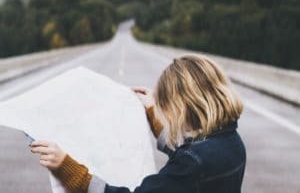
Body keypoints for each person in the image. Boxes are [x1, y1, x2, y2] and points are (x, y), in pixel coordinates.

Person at [30, 54, 246, 193]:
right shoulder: (230, 141)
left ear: (184, 106)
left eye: (168, 107)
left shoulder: (193, 163)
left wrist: (71, 170)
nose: (167, 115)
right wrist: (153, 116)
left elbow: (187, 164)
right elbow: (190, 159)